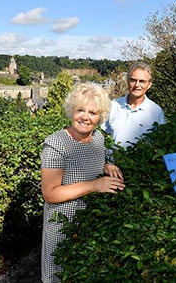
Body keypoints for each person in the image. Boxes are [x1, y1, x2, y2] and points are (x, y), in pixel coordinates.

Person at [40, 82, 125, 283]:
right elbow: (50, 194)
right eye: (80, 110)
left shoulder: (97, 139)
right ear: (71, 111)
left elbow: (92, 162)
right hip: (61, 226)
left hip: (89, 225)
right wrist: (96, 185)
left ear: (100, 117)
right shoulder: (55, 144)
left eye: (93, 113)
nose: (85, 117)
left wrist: (106, 166)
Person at [101, 62, 165, 149]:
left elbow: (160, 141)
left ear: (149, 85)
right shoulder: (113, 106)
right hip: (112, 162)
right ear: (127, 81)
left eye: (142, 81)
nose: (137, 85)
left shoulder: (155, 111)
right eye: (133, 80)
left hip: (140, 162)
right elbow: (101, 135)